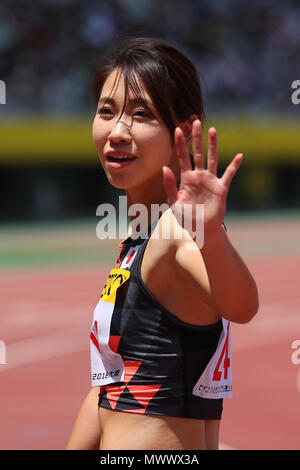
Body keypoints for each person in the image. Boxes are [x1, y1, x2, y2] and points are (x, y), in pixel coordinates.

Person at [66, 37, 259, 451]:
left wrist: (208, 236)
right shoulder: (139, 236)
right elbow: (110, 386)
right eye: (106, 111)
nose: (117, 131)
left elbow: (242, 305)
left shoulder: (176, 231)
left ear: (181, 132)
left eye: (140, 114)